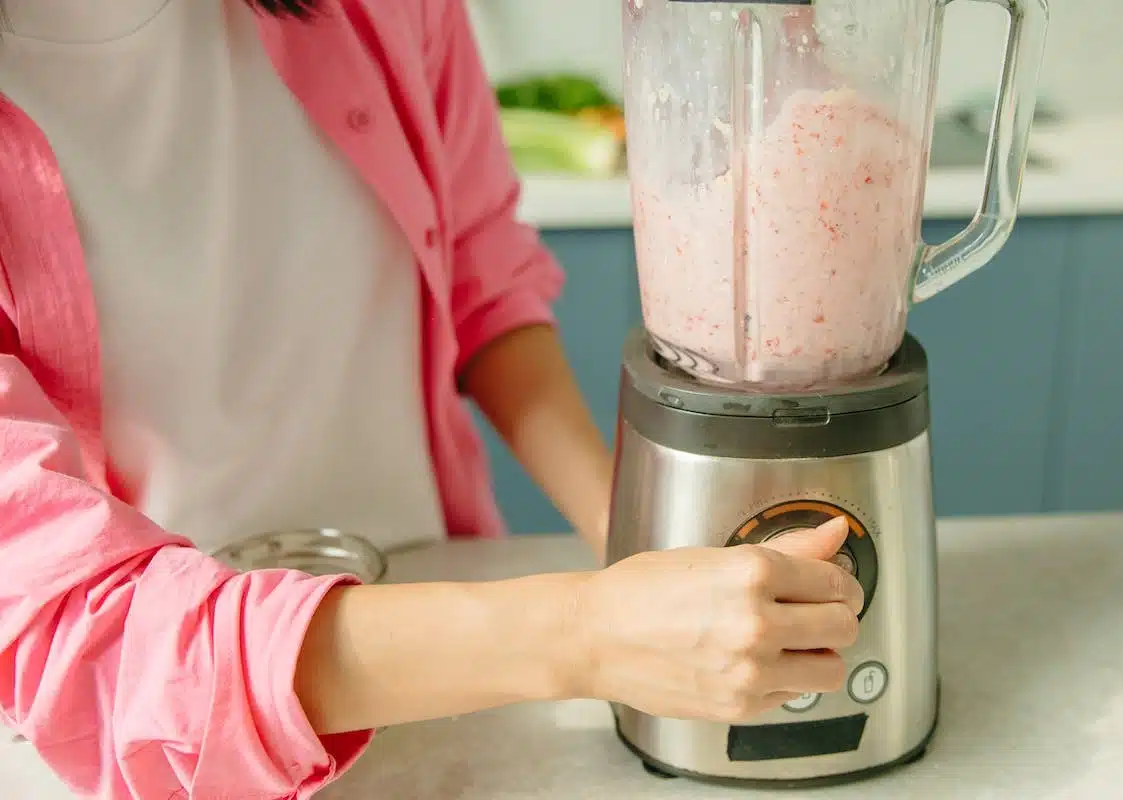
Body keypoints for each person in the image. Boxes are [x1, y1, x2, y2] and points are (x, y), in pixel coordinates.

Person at [0, 0, 865, 796]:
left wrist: (635, 538)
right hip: (162, 737)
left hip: (455, 655)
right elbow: (88, 633)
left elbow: (480, 274)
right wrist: (588, 632)